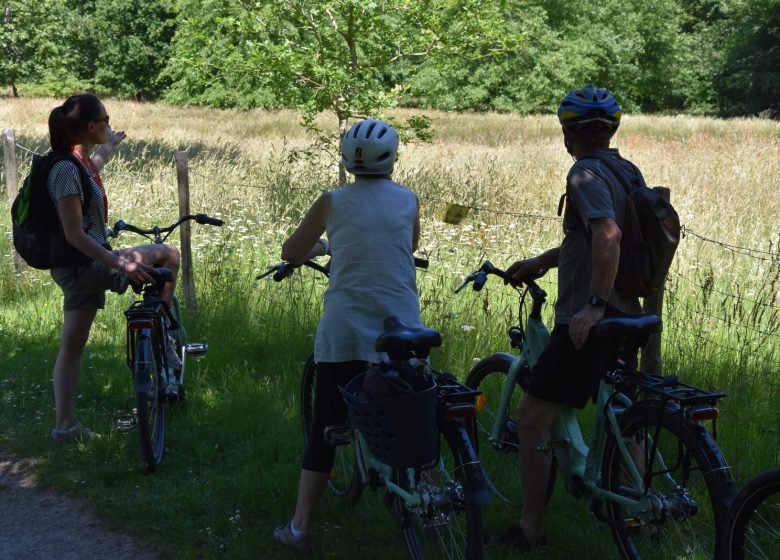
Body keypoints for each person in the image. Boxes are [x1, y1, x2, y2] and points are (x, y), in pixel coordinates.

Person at [499, 84, 644, 549]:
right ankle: (640, 514)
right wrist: (544, 261)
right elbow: (587, 239)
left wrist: (593, 306)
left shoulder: (583, 173)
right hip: (629, 316)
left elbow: (607, 234)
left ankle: (531, 528)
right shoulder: (625, 169)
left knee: (531, 417)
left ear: (568, 132)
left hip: (591, 321)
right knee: (623, 414)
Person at [273, 119, 422, 552]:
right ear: (393, 158)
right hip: (401, 325)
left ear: (346, 159)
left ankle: (301, 527)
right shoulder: (408, 199)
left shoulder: (331, 201)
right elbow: (408, 246)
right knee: (413, 410)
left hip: (346, 330)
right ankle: (431, 493)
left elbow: (291, 252)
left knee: (326, 426)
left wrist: (324, 247)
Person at [47, 93, 181, 442]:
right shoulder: (64, 169)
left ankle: (65, 427)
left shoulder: (75, 162)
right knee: (169, 254)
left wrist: (113, 145)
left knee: (72, 346)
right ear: (91, 127)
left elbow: (95, 165)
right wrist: (119, 262)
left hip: (78, 267)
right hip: (84, 265)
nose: (111, 124)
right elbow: (75, 234)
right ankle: (165, 342)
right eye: (106, 120)